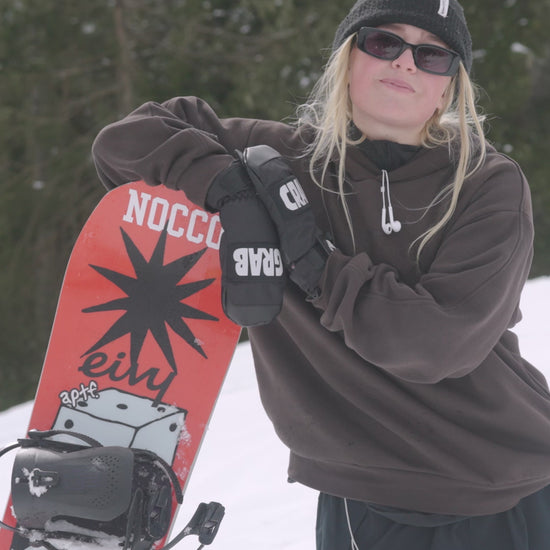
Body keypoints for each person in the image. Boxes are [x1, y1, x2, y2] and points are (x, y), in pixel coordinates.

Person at [92, 0, 550, 548]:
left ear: (449, 88)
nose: (406, 62)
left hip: (506, 483)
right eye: (384, 42)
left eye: (433, 55)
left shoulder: (486, 184)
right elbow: (121, 145)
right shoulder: (277, 162)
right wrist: (228, 190)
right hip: (364, 495)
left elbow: (437, 345)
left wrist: (313, 263)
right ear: (347, 59)